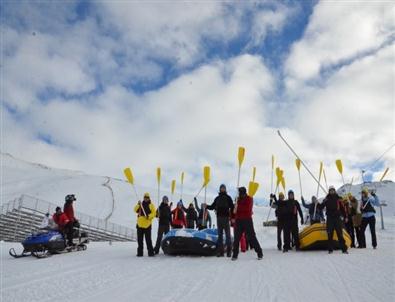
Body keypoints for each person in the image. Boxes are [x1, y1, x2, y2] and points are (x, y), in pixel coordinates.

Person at [232, 187, 263, 260]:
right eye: (239, 193)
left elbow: (247, 209)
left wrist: (237, 207)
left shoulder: (249, 199)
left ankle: (259, 253)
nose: (240, 194)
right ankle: (235, 255)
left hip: (247, 220)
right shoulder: (237, 200)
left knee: (252, 237)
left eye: (241, 193)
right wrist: (235, 208)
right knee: (236, 238)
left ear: (244, 192)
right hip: (239, 220)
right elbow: (235, 211)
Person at [207, 184, 234, 257]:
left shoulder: (228, 198)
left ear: (225, 189)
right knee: (220, 236)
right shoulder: (217, 198)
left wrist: (233, 216)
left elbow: (232, 207)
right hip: (219, 218)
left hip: (226, 218)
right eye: (221, 188)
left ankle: (229, 252)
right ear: (220, 189)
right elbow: (212, 207)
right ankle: (221, 252)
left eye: (223, 188)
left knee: (228, 235)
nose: (222, 189)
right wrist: (206, 206)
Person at [320, 186, 348, 254]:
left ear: (334, 191)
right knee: (330, 234)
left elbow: (342, 209)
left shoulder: (338, 199)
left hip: (337, 218)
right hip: (330, 218)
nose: (332, 191)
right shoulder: (326, 199)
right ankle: (330, 249)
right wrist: (322, 202)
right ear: (329, 191)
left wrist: (345, 216)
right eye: (330, 190)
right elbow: (320, 207)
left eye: (333, 190)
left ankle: (344, 249)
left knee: (340, 234)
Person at [134, 193, 156, 257]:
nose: (146, 198)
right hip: (140, 225)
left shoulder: (151, 205)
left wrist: (149, 216)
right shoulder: (140, 204)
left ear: (149, 198)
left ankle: (151, 253)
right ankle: (140, 253)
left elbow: (154, 213)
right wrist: (138, 204)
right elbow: (135, 210)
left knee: (148, 240)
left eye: (147, 197)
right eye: (145, 197)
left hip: (147, 225)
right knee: (140, 240)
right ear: (143, 198)